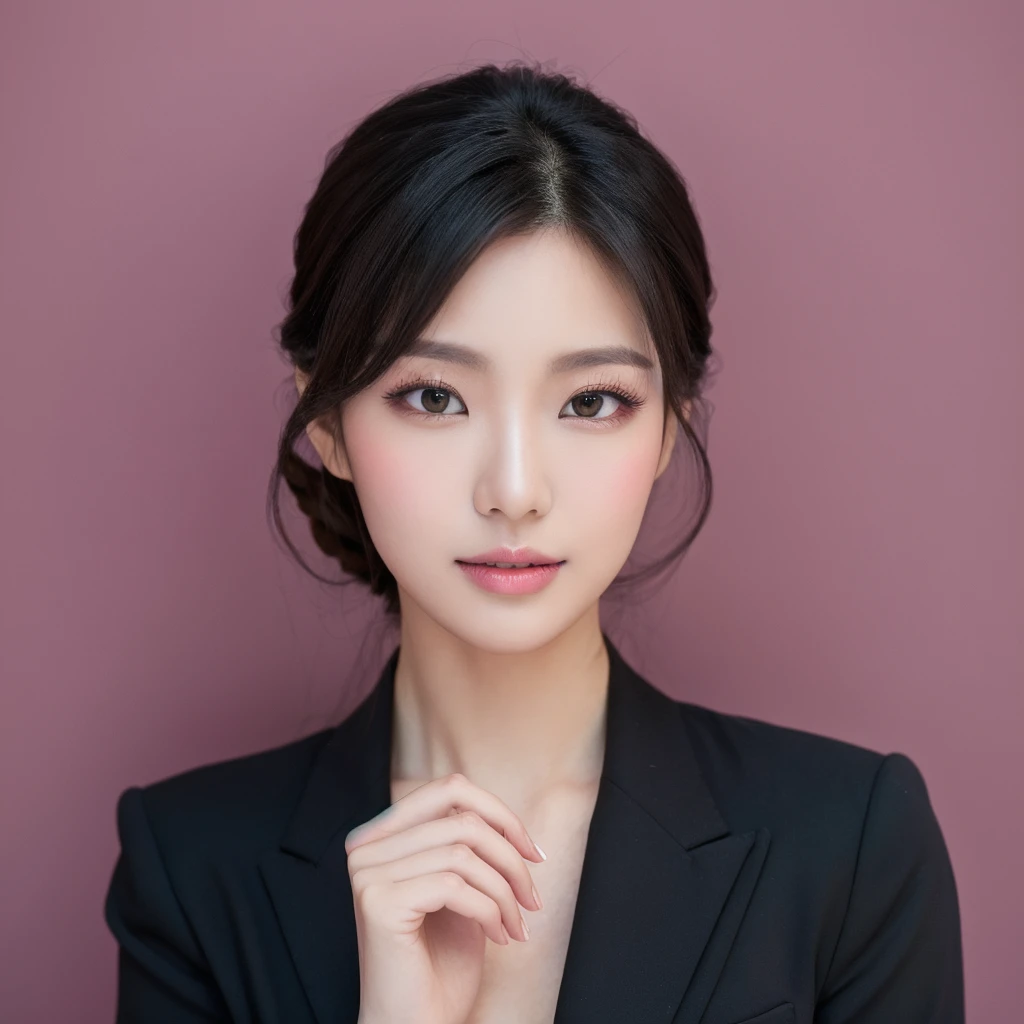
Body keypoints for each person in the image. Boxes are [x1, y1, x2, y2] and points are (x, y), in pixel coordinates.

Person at [103, 61, 964, 1023]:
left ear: (670, 424)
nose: (514, 490)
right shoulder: (190, 871)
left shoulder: (848, 848)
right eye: (434, 396)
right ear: (329, 423)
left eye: (590, 401)